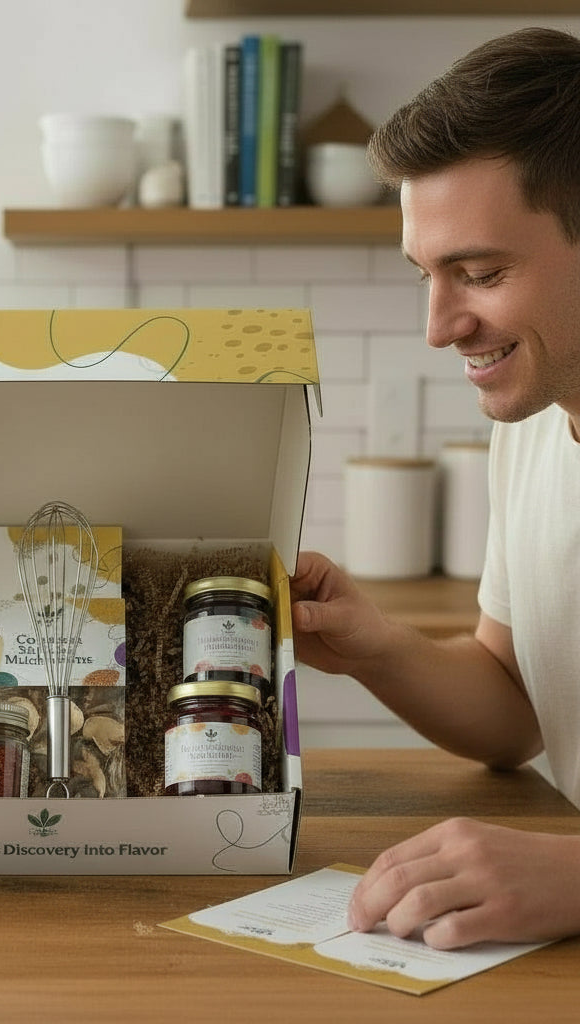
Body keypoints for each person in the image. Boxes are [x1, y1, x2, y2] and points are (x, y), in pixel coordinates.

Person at [290, 25, 580, 951]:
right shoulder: (534, 430)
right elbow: (519, 706)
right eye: (427, 275)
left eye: (482, 273)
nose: (440, 326)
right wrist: (374, 646)